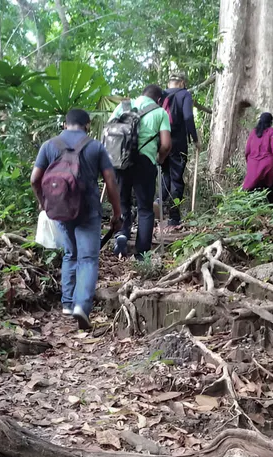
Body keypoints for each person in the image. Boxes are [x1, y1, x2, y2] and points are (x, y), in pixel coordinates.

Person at [30, 108, 122, 330]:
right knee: (88, 258)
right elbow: (111, 182)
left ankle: (68, 303)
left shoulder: (49, 146)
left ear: (65, 124)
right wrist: (117, 213)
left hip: (60, 209)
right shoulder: (95, 147)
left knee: (70, 253)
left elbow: (34, 179)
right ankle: (82, 305)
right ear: (87, 125)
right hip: (88, 210)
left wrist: (44, 203)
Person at [111, 85, 171, 259]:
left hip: (120, 160)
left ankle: (121, 235)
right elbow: (166, 144)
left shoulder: (123, 106)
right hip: (145, 161)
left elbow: (110, 132)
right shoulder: (160, 112)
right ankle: (141, 253)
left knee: (123, 201)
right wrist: (159, 158)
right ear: (159, 100)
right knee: (145, 208)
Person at [161, 72, 201, 227]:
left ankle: (158, 203)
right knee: (176, 178)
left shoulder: (161, 95)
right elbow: (188, 117)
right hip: (178, 143)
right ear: (182, 83)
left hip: (161, 142)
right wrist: (195, 139)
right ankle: (173, 217)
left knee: (165, 175)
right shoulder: (184, 95)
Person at [243, 112, 273, 205]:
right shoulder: (272, 131)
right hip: (269, 166)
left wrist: (250, 164)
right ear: (270, 122)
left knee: (252, 187)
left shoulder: (253, 133)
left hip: (253, 165)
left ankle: (252, 207)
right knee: (272, 188)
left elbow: (247, 151)